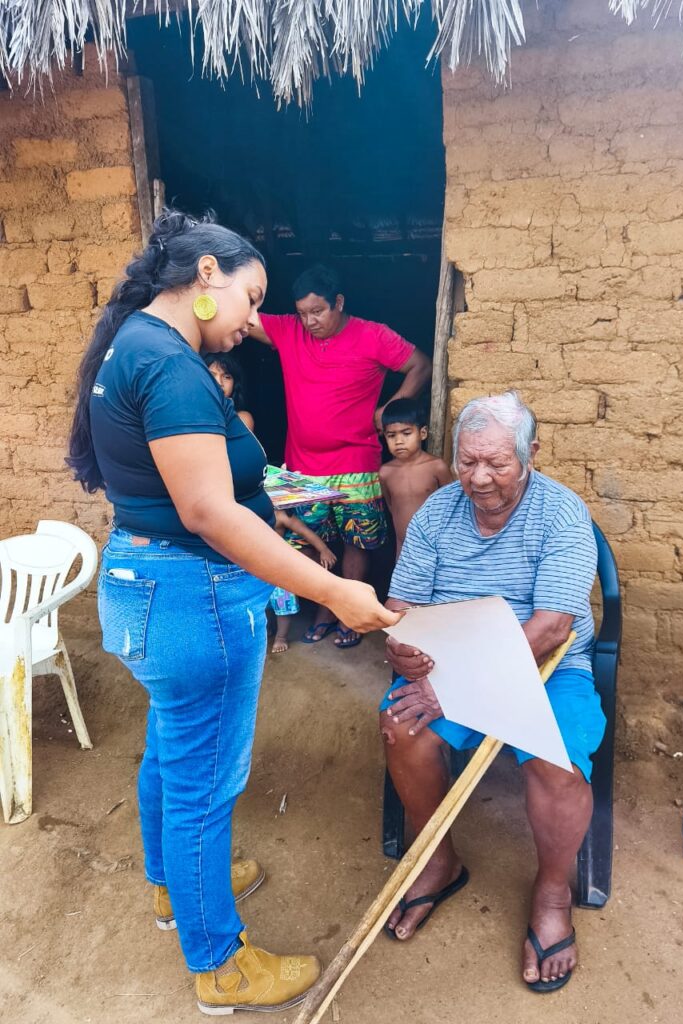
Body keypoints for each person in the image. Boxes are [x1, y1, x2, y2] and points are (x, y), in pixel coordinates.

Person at [67, 209, 399, 1016]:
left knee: (172, 754)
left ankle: (173, 887)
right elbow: (212, 512)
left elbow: (199, 498)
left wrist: (291, 535)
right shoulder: (173, 366)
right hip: (196, 597)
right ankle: (219, 962)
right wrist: (334, 591)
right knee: (204, 786)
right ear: (206, 277)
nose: (257, 322)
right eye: (252, 299)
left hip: (151, 583)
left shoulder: (133, 348)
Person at [379, 391, 605, 994]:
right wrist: (400, 640)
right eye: (466, 461)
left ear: (532, 454)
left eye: (497, 464)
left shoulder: (561, 513)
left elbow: (551, 629)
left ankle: (553, 892)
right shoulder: (435, 514)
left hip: (546, 668)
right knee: (402, 726)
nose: (478, 478)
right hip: (448, 669)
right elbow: (403, 604)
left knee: (557, 765)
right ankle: (438, 860)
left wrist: (457, 686)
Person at [248, 264, 432, 649]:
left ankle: (352, 613)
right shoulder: (288, 330)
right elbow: (241, 319)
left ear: (339, 303)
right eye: (302, 313)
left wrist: (391, 409)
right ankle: (325, 611)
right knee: (315, 542)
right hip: (303, 466)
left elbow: (421, 364)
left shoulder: (372, 335)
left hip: (356, 463)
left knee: (356, 542)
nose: (309, 321)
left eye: (318, 311)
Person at [379, 397, 452, 556]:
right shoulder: (385, 473)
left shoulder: (436, 467)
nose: (399, 441)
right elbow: (393, 508)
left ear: (423, 433)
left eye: (406, 433)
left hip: (435, 545)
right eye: (391, 436)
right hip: (404, 548)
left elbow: (452, 505)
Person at [269, 508, 337, 653]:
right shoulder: (246, 511)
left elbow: (305, 531)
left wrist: (323, 549)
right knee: (258, 605)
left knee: (283, 605)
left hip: (278, 570)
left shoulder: (279, 515)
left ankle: (281, 637)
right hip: (253, 568)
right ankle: (267, 628)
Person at [204, 351, 254, 430]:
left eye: (226, 377)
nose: (219, 383)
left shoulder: (241, 418)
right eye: (212, 376)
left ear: (235, 384)